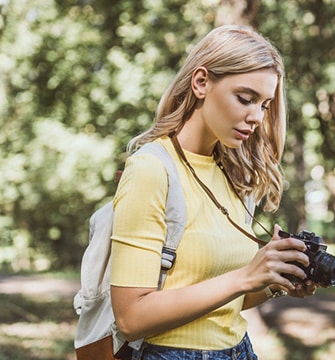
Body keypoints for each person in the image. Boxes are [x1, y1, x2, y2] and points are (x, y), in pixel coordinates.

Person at [110, 25, 316, 360]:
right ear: (201, 82)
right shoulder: (152, 169)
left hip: (240, 351)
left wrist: (272, 280)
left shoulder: (234, 174)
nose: (257, 118)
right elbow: (131, 318)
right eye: (246, 99)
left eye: (264, 105)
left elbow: (225, 298)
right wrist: (244, 277)